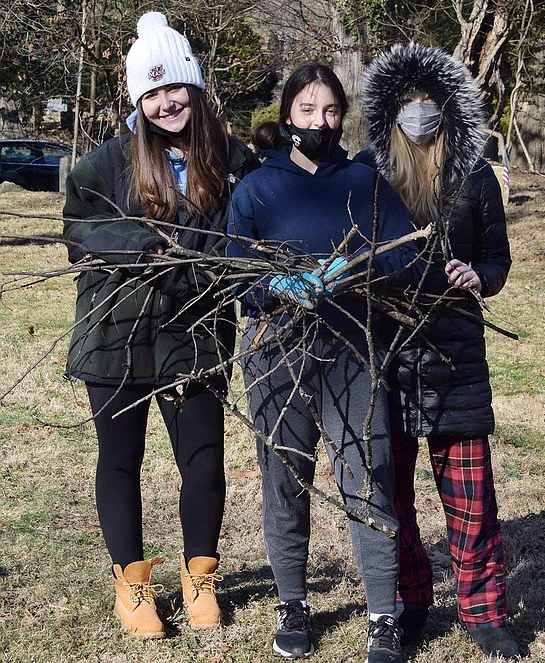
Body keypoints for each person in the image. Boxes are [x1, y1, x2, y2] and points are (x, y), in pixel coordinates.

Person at [62, 11, 259, 639]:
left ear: (195, 87)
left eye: (174, 87)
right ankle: (131, 582)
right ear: (137, 99)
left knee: (203, 460)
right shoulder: (104, 164)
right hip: (117, 330)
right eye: (151, 92)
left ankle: (200, 577)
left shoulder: (231, 158)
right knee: (120, 459)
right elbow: (78, 230)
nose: (165, 102)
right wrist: (140, 245)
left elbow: (256, 224)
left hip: (195, 329)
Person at [227, 63, 421, 662]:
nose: (321, 121)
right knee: (284, 482)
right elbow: (236, 279)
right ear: (288, 114)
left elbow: (405, 257)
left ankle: (383, 615)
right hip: (274, 355)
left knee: (367, 481)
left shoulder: (365, 183)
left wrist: (355, 269)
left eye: (331, 111)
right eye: (308, 110)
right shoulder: (257, 188)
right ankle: (292, 602)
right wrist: (279, 286)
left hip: (353, 353)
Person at [358, 42, 522, 659]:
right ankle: (408, 605)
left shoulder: (477, 175)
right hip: (387, 352)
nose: (419, 112)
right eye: (407, 102)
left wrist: (481, 276)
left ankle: (484, 611)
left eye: (429, 102)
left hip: (456, 352)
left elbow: (498, 257)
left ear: (448, 108)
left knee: (472, 497)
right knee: (391, 495)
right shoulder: (367, 173)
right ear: (389, 113)